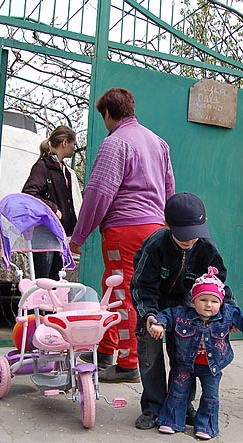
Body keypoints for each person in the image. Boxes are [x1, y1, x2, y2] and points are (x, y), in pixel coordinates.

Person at [70, 88, 175, 382]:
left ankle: (129, 363)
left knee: (124, 293)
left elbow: (99, 192)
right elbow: (169, 189)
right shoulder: (158, 143)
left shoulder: (115, 143)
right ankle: (106, 350)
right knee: (116, 288)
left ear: (107, 113)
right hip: (155, 228)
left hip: (125, 229)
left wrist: (79, 236)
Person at [131, 191, 237, 430]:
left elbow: (218, 286)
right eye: (183, 236)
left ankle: (182, 404)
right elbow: (142, 285)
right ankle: (153, 407)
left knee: (185, 357)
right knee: (151, 354)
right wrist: (149, 315)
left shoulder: (207, 249)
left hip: (187, 306)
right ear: (168, 225)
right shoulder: (155, 245)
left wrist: (230, 313)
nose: (190, 241)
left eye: (194, 235)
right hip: (155, 305)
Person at [146, 266, 243, 440]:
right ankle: (171, 421)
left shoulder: (227, 314)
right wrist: (159, 324)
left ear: (221, 303)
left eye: (214, 301)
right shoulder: (182, 314)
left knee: (211, 396)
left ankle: (206, 426)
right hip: (185, 364)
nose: (208, 305)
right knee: (177, 392)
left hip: (212, 367)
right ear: (193, 301)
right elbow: (167, 315)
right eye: (203, 300)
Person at [22, 125, 78, 279]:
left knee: (55, 282)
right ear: (65, 143)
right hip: (45, 234)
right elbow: (29, 193)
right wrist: (53, 208)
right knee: (43, 282)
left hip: (59, 234)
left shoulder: (64, 170)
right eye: (73, 143)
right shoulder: (42, 167)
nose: (75, 148)